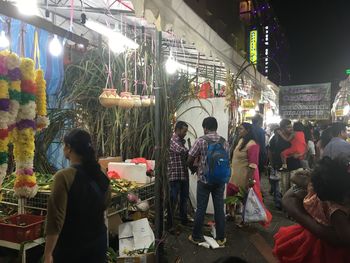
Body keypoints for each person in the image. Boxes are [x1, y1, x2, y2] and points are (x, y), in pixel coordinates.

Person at [44, 129, 111, 263]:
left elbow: (55, 219)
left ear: (69, 148)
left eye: (64, 145)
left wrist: (48, 254)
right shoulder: (102, 172)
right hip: (98, 244)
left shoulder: (63, 176)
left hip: (72, 248)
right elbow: (106, 203)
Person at [273, 157, 350, 262]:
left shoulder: (319, 189)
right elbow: (344, 238)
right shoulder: (336, 211)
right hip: (328, 249)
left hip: (310, 238)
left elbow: (291, 193)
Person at [187, 117, 228, 246]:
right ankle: (221, 238)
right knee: (219, 209)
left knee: (201, 209)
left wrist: (194, 168)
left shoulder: (201, 141)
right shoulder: (224, 142)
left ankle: (196, 236)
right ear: (216, 127)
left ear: (205, 127)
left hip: (204, 180)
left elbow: (190, 158)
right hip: (220, 180)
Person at [227, 123, 272, 226]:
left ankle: (245, 220)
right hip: (236, 175)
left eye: (241, 129)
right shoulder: (241, 141)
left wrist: (250, 180)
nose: (239, 131)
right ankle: (231, 214)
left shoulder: (253, 144)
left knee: (246, 199)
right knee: (231, 195)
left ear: (248, 131)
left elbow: (253, 164)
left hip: (246, 176)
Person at [269, 119, 302, 195]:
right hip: (282, 168)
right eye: (288, 127)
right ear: (282, 128)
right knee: (283, 189)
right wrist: (272, 164)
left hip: (295, 166)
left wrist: (299, 155)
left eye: (291, 126)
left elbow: (303, 147)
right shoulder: (275, 138)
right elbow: (270, 152)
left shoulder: (295, 136)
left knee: (295, 189)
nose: (291, 128)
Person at [167, 121, 190, 227]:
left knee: (184, 198)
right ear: (178, 129)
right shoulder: (173, 140)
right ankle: (170, 224)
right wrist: (193, 152)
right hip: (175, 175)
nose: (185, 133)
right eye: (184, 131)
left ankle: (183, 219)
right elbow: (182, 151)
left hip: (183, 174)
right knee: (173, 200)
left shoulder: (181, 141)